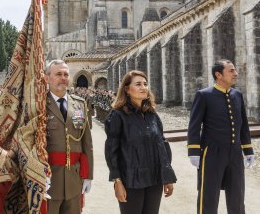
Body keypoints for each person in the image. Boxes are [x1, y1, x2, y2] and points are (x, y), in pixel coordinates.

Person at [187, 59, 254, 214]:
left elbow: (243, 125)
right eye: (231, 71)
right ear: (218, 74)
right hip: (212, 153)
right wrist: (194, 151)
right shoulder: (204, 95)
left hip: (235, 153)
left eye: (235, 70)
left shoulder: (237, 95)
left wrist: (248, 149)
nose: (235, 74)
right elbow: (194, 125)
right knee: (209, 196)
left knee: (237, 196)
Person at [104, 70, 176, 214]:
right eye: (138, 84)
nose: (144, 87)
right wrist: (117, 181)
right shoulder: (118, 116)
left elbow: (162, 146)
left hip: (154, 179)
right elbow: (112, 151)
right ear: (127, 89)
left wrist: (167, 177)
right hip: (131, 180)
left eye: (145, 84)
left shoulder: (152, 115)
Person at [45, 60, 94, 214]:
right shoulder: (38, 104)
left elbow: (87, 143)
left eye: (66, 74)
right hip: (48, 179)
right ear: (47, 78)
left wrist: (89, 175)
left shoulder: (79, 104)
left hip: (74, 179)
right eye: (58, 74)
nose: (63, 77)